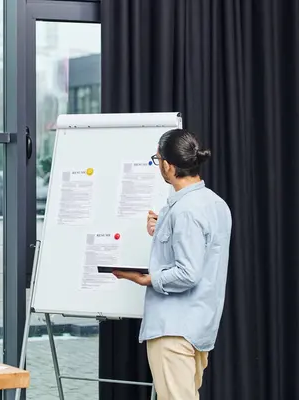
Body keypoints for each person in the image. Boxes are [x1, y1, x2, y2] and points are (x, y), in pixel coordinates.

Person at [113, 128, 232, 400]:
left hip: (174, 330)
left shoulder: (186, 210)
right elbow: (202, 255)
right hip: (199, 326)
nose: (158, 166)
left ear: (168, 165)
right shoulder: (215, 204)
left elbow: (188, 273)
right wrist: (162, 228)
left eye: (157, 160)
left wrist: (148, 278)